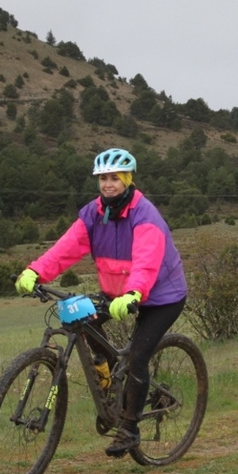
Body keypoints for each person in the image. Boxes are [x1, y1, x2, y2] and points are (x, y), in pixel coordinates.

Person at [14, 148, 188, 458]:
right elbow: (65, 249)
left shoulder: (145, 215)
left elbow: (146, 261)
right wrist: (35, 271)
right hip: (117, 292)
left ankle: (130, 429)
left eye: (114, 178)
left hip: (160, 296)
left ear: (127, 179)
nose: (108, 184)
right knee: (82, 325)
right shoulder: (93, 214)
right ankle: (111, 385)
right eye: (103, 179)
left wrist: (134, 293)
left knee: (136, 356)